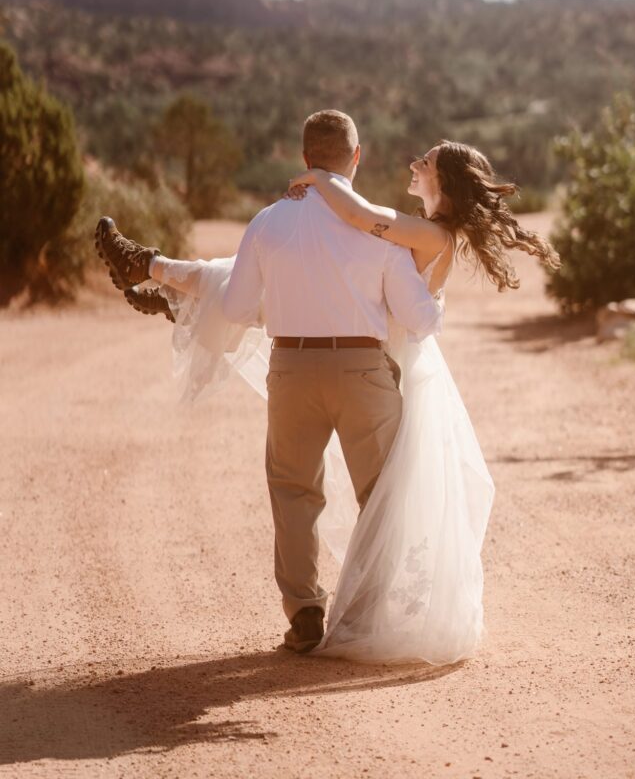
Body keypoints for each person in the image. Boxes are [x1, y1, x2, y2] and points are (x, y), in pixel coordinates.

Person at [95, 110, 444, 656]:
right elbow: (417, 320)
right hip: (364, 374)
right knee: (380, 496)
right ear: (357, 158)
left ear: (303, 160)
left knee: (293, 491)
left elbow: (235, 307)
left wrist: (279, 298)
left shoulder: (267, 222)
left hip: (292, 370)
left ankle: (305, 612)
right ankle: (369, 618)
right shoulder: (380, 229)